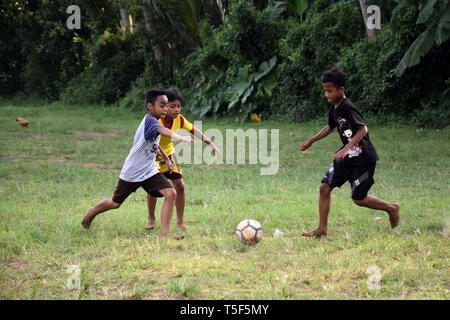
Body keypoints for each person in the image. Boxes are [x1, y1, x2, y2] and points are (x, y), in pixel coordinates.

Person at [300, 67, 400, 238]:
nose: (327, 94)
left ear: (341, 90)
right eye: (325, 91)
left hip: (363, 158)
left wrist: (346, 149)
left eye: (330, 91)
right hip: (345, 159)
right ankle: (322, 229)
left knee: (358, 198)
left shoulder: (347, 107)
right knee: (324, 188)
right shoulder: (334, 108)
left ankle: (391, 208)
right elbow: (330, 127)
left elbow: (363, 129)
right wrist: (311, 140)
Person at [81, 89, 194, 238]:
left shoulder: (154, 122)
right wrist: (179, 137)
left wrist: (166, 158)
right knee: (115, 203)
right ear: (150, 106)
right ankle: (91, 212)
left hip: (149, 170)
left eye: (167, 105)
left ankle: (164, 234)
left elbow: (154, 143)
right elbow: (162, 131)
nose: (165, 109)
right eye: (162, 105)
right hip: (133, 170)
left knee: (171, 193)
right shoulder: (150, 121)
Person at [145, 87, 221, 231]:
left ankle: (180, 222)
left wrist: (211, 144)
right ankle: (151, 217)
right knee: (153, 189)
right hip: (153, 155)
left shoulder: (179, 120)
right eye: (172, 106)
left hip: (169, 154)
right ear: (164, 105)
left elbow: (194, 130)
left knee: (180, 186)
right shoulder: (156, 120)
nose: (176, 110)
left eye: (179, 106)